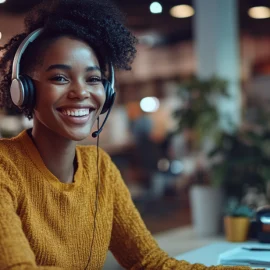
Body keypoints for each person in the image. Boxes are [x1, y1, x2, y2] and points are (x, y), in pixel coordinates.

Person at [0, 0, 260, 269]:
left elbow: (149, 261)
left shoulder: (100, 168)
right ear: (25, 90)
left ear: (108, 92)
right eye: (60, 78)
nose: (81, 92)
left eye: (93, 79)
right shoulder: (4, 168)